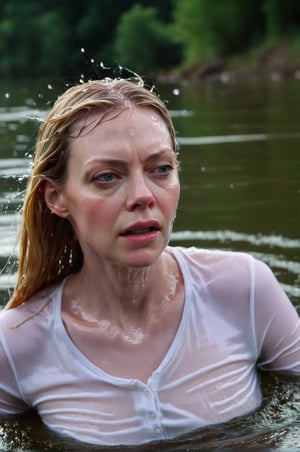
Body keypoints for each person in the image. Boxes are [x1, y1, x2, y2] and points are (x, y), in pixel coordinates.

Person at [0, 77, 299, 447]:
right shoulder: (16, 342)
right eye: (106, 177)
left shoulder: (245, 290)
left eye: (161, 169)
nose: (143, 196)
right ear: (56, 197)